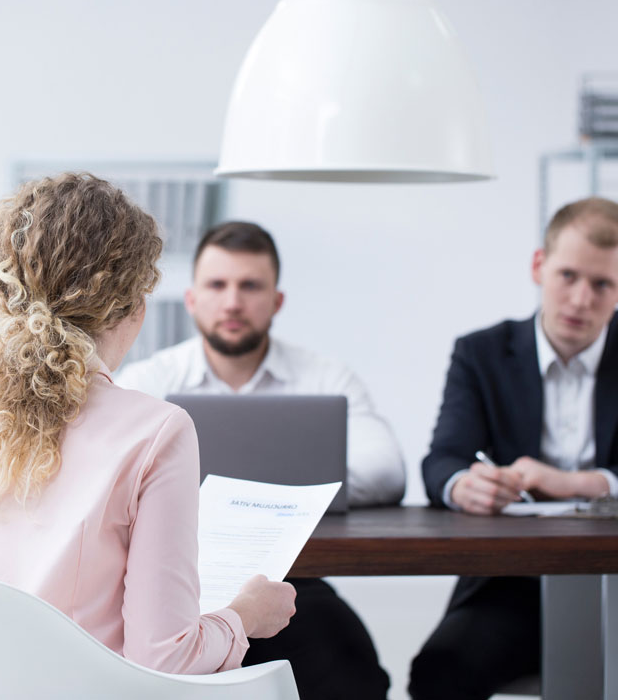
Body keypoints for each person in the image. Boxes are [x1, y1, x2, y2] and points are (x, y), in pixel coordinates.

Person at [0, 173, 296, 674]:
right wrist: (245, 615)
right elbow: (167, 658)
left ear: (2, 297)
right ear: (133, 305)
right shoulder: (158, 433)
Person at [117, 220, 400, 699]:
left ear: (277, 300)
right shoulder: (148, 381)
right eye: (217, 285)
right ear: (192, 299)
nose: (232, 302)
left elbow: (386, 468)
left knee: (352, 666)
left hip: (293, 586)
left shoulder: (325, 376)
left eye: (250, 286)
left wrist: (256, 497)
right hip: (179, 589)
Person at [410, 196, 618, 700]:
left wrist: (578, 484)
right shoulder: (480, 353)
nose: (581, 300)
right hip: (510, 581)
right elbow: (443, 459)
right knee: (440, 672)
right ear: (538, 266)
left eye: (602, 284)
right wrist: (464, 485)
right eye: (568, 276)